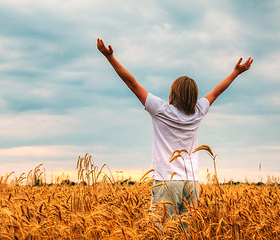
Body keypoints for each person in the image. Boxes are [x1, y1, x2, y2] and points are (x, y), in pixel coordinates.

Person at [97, 38, 253, 228]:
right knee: (186, 234)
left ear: (173, 94)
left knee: (160, 232)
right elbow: (216, 92)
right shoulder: (199, 111)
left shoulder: (161, 110)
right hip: (192, 182)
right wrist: (236, 73)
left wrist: (110, 58)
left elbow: (132, 83)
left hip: (167, 182)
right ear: (194, 96)